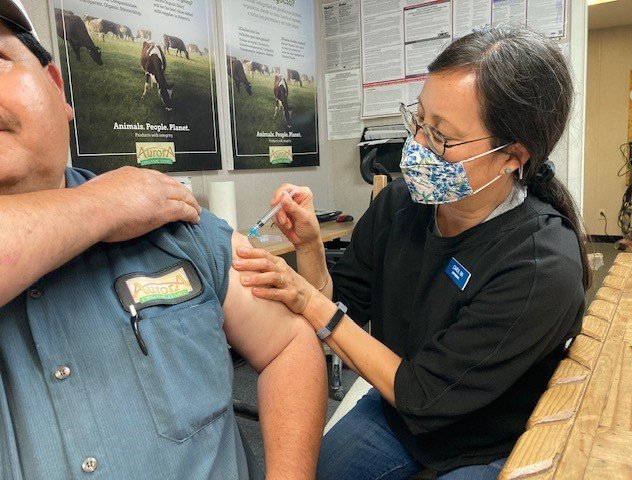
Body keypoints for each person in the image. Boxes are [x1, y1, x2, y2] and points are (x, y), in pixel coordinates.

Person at [233, 27, 590, 480]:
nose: (417, 146)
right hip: (396, 412)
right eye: (418, 120)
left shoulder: (540, 264)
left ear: (512, 157)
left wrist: (306, 299)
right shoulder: (400, 204)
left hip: (486, 439)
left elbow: (423, 392)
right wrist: (309, 247)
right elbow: (344, 307)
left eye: (442, 136)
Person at [0, 2, 327, 479]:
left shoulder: (169, 221)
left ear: (55, 86)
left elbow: (290, 344)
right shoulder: (134, 202)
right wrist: (105, 205)